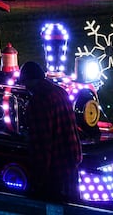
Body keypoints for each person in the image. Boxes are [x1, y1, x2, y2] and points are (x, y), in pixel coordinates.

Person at [19, 60, 82, 203]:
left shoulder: (39, 101)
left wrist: (38, 179)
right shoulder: (61, 92)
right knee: (72, 206)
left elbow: (42, 142)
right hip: (71, 159)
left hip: (55, 167)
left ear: (28, 81)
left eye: (24, 83)